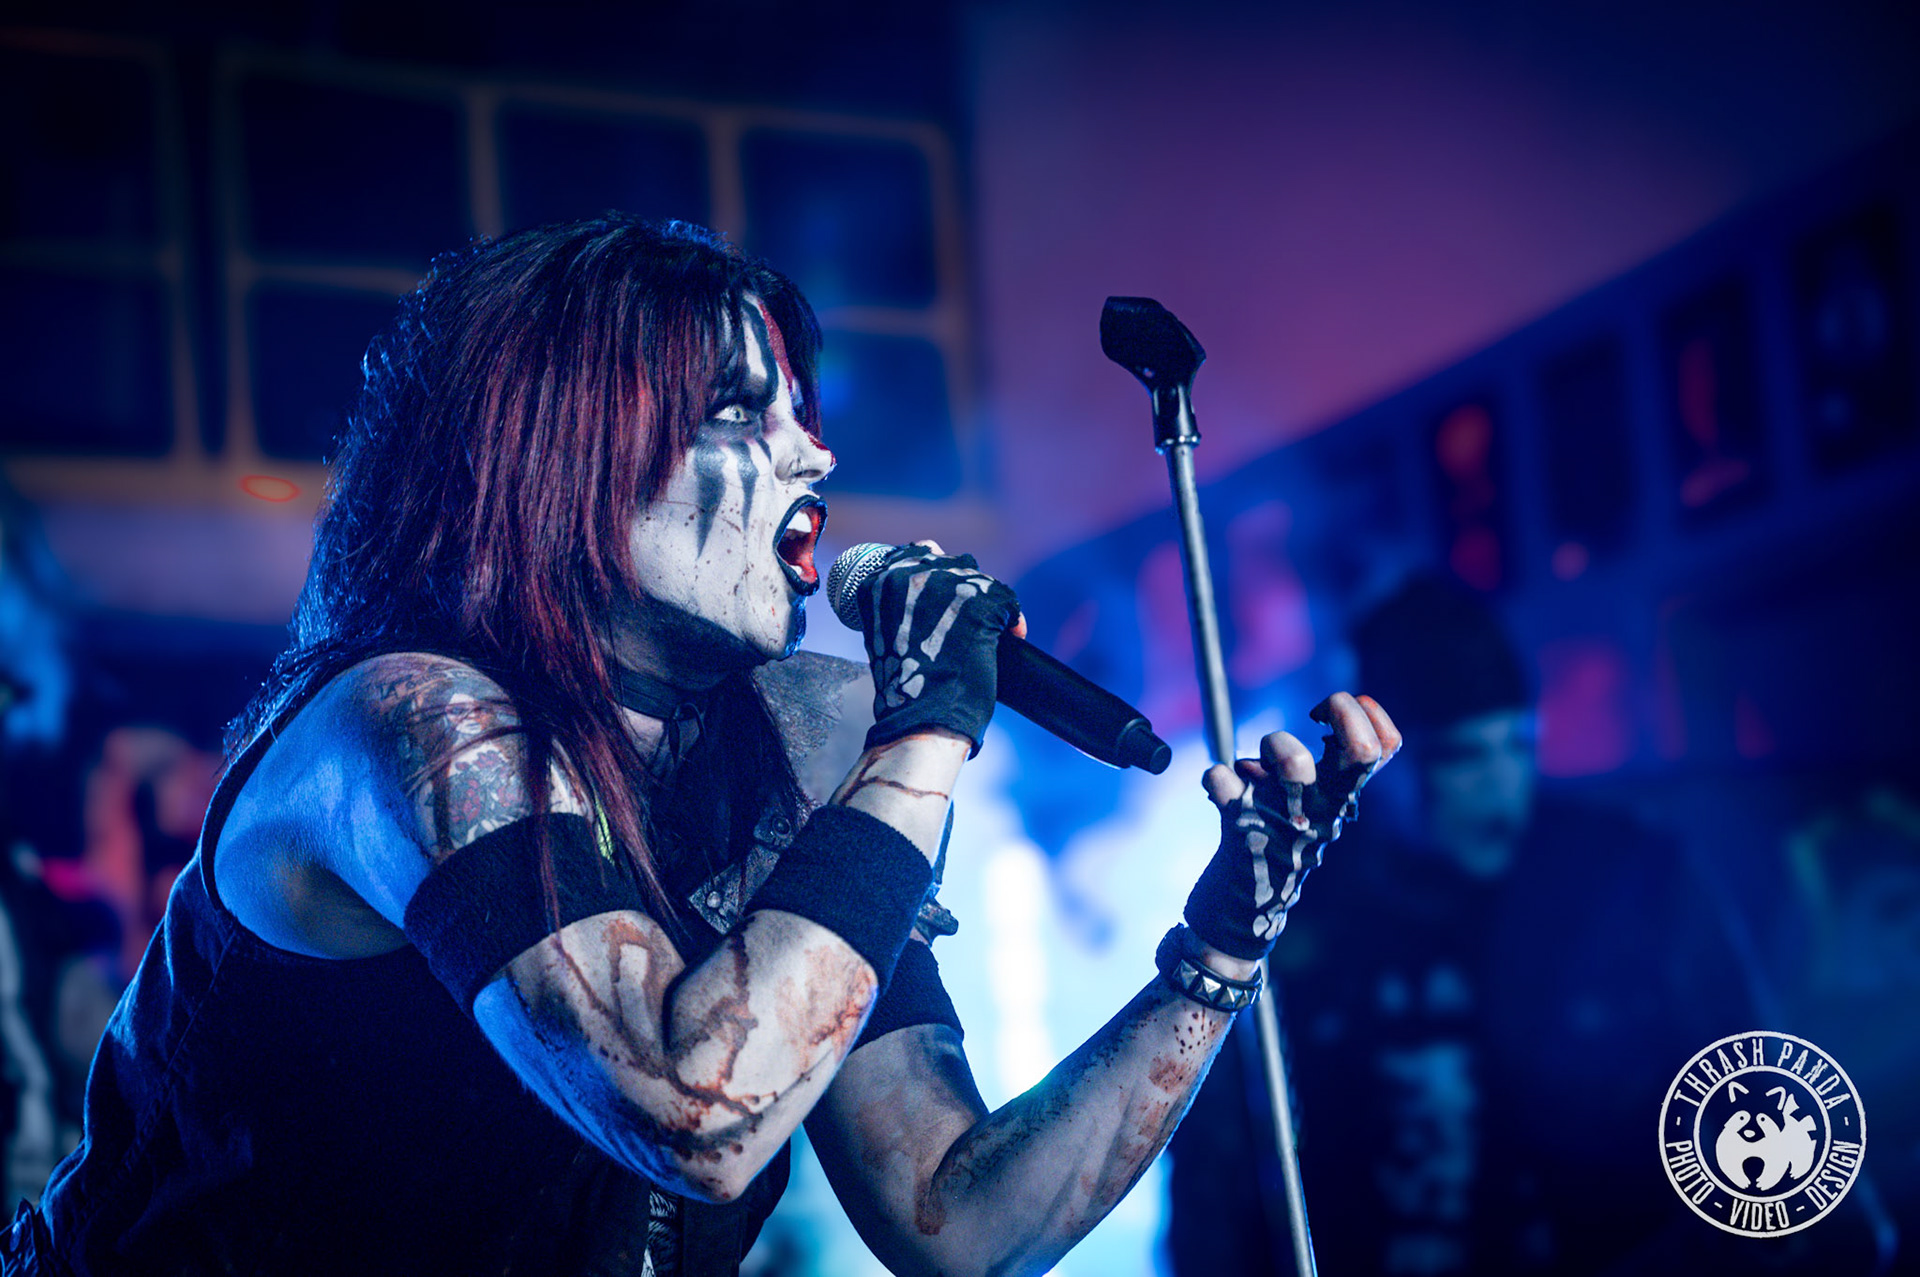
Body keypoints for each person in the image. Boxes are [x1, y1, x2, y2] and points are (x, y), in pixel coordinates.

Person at [6, 217, 1398, 1276]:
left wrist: (1218, 949)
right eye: (740, 413)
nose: (812, 457)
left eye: (802, 413)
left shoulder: (787, 747)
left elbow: (957, 1218)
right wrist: (923, 730)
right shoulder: (412, 720)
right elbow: (697, 1112)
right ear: (561, 453)